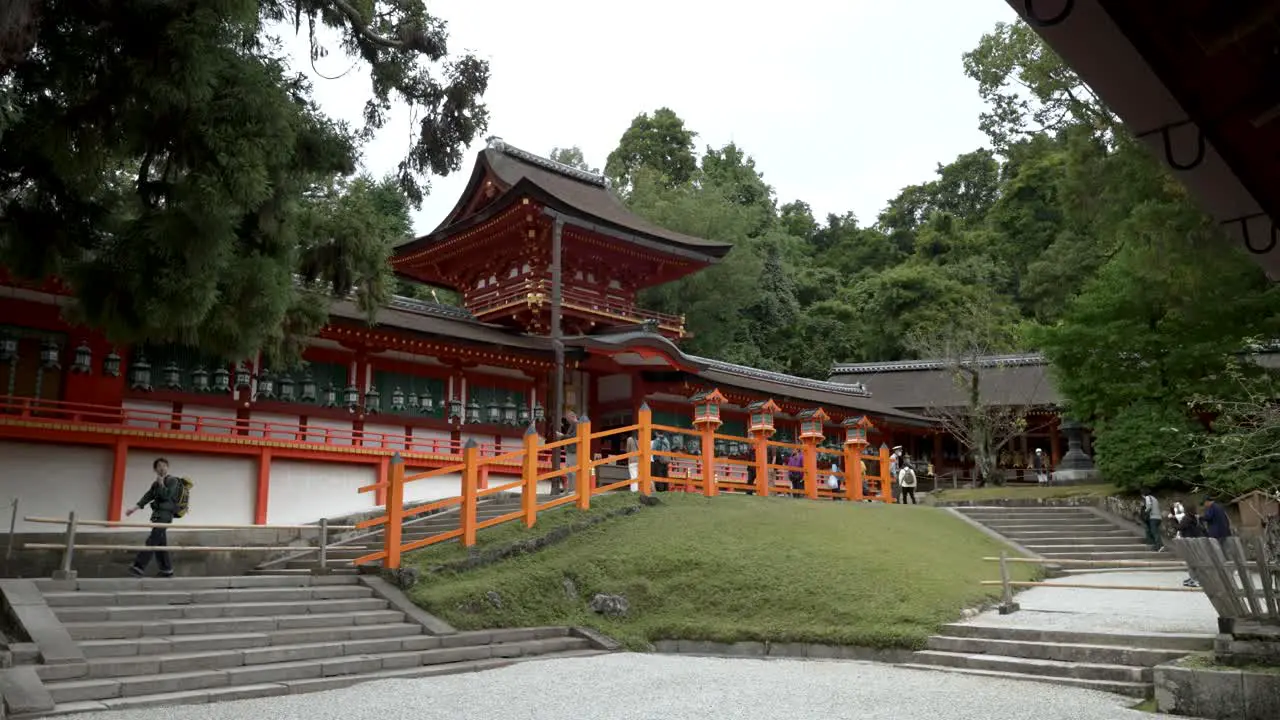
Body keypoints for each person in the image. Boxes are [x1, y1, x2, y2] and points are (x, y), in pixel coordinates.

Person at [125, 457, 181, 578]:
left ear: (167, 467)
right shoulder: (155, 484)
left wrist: (161, 483)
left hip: (165, 515)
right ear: (155, 469)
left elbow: (167, 495)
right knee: (160, 543)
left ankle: (138, 566)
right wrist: (133, 509)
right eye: (159, 466)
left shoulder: (173, 481)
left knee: (152, 540)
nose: (162, 468)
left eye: (164, 465)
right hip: (157, 515)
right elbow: (147, 496)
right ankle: (167, 570)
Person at [1173, 501, 1204, 588]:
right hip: (1195, 540)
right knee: (1195, 560)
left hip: (1189, 541)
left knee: (1191, 561)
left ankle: (1195, 579)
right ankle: (1195, 577)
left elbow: (1180, 527)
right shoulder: (1195, 517)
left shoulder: (1186, 518)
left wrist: (1173, 521)